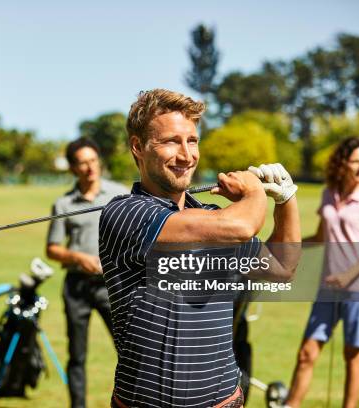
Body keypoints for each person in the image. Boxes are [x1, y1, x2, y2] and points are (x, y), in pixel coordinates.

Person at [99, 89, 301, 407]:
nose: (186, 155)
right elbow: (241, 226)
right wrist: (253, 192)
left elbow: (281, 269)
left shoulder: (212, 217)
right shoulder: (125, 213)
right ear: (138, 147)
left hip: (224, 401)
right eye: (171, 141)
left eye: (192, 141)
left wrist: (285, 200)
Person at [286, 137, 359, 408]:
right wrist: (287, 246)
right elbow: (320, 235)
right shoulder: (328, 193)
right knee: (307, 352)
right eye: (356, 161)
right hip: (328, 288)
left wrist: (347, 276)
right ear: (343, 163)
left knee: (352, 353)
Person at [46, 137, 129, 408]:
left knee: (128, 351)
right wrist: (77, 257)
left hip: (111, 285)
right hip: (76, 288)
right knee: (77, 355)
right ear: (73, 168)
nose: (90, 168)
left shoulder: (120, 195)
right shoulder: (63, 204)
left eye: (93, 161)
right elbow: (53, 249)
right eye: (82, 163)